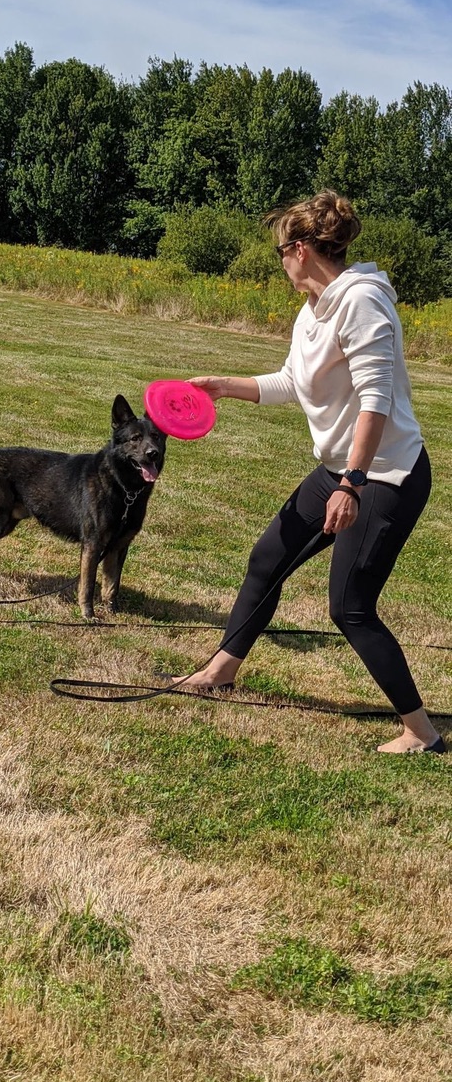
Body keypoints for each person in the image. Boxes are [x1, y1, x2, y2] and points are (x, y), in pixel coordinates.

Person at [179, 190, 445, 755]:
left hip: (386, 475)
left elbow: (374, 399)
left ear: (300, 249)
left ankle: (422, 731)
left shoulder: (363, 302)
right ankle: (222, 670)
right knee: (267, 559)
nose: (279, 262)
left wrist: (351, 483)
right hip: (341, 466)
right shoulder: (313, 311)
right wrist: (225, 386)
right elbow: (293, 383)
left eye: (281, 251)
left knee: (349, 605)